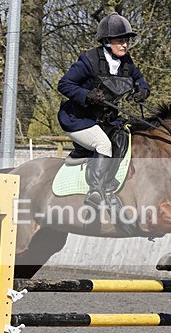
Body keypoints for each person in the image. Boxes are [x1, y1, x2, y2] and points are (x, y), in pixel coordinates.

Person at [57, 12, 151, 208]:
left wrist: (143, 91)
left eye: (126, 40)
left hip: (106, 120)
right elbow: (64, 84)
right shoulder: (89, 61)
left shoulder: (127, 62)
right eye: (120, 40)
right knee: (103, 145)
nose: (125, 45)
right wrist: (87, 95)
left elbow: (140, 80)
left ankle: (112, 185)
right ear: (107, 41)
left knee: (126, 140)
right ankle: (96, 191)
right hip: (78, 119)